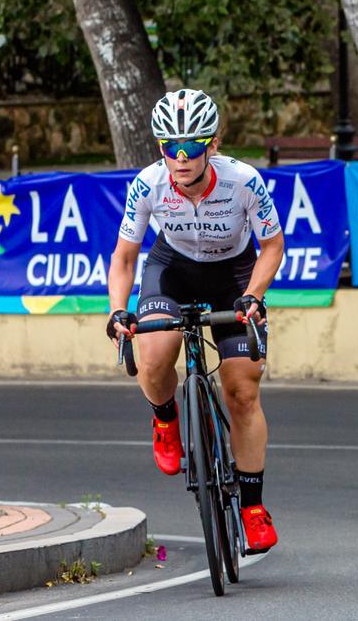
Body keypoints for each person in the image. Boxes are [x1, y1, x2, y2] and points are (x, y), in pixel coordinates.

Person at [106, 89, 284, 553]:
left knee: (243, 392)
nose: (181, 158)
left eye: (191, 147)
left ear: (213, 144)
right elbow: (125, 258)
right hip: (174, 270)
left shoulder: (243, 181)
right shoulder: (148, 185)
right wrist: (117, 310)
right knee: (154, 356)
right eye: (170, 148)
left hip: (234, 274)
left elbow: (272, 248)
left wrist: (253, 296)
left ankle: (252, 506)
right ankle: (165, 417)